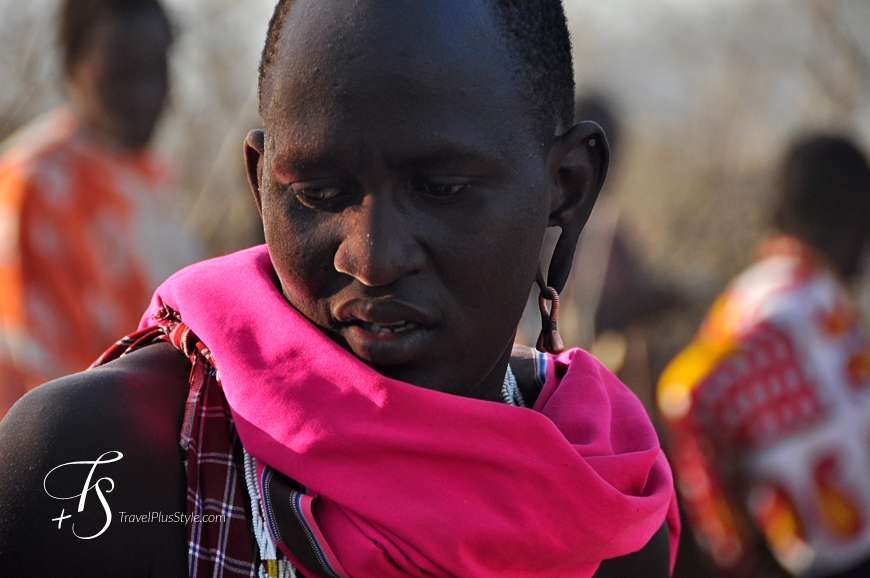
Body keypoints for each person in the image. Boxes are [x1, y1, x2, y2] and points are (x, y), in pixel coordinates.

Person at [0, 1, 679, 576]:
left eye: (442, 190)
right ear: (261, 183)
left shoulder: (608, 504)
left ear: (567, 190)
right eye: (318, 194)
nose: (374, 259)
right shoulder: (100, 467)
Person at [658, 135, 870, 577]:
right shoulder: (799, 303)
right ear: (852, 219)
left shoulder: (757, 292)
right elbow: (687, 392)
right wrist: (732, 548)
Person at [0, 0, 201, 418]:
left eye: (155, 70)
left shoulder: (152, 179)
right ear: (73, 66)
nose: (144, 94)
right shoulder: (34, 184)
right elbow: (51, 385)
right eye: (120, 74)